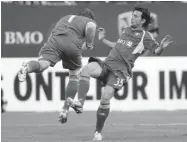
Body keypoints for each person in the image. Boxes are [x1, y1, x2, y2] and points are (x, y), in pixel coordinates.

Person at [67, 7, 173, 140]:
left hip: (120, 73)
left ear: (143, 20)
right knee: (87, 69)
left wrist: (161, 47)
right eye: (132, 15)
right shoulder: (126, 30)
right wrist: (103, 39)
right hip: (107, 65)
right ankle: (80, 104)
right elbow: (118, 45)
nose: (132, 18)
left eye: (135, 16)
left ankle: (97, 132)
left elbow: (156, 51)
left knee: (105, 97)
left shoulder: (145, 36)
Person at [17, 8, 97, 123]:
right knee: (74, 74)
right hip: (71, 42)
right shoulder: (88, 20)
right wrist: (89, 44)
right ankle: (65, 109)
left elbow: (61, 34)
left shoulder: (66, 17)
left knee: (43, 64)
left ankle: (27, 67)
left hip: (54, 40)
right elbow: (91, 27)